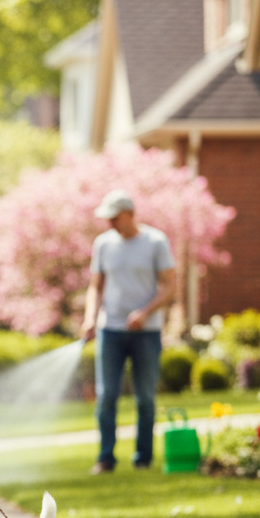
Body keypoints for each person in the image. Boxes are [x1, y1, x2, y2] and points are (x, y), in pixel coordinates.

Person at [81, 188, 176, 474]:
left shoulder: (155, 241)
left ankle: (142, 460)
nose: (109, 223)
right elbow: (95, 286)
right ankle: (105, 458)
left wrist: (144, 313)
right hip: (110, 331)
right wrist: (90, 318)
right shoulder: (103, 244)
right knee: (106, 395)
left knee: (145, 397)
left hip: (146, 332)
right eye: (107, 218)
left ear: (131, 214)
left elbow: (170, 286)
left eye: (114, 217)